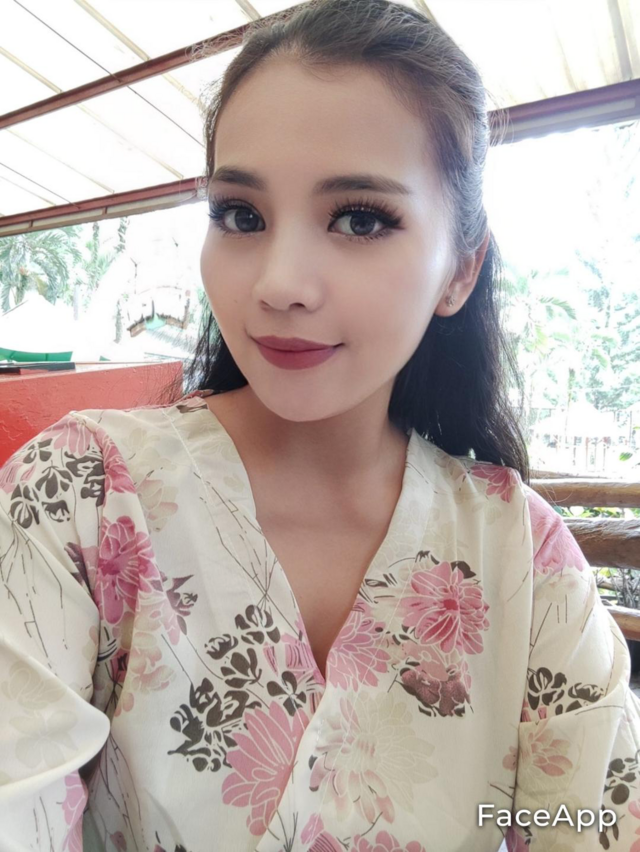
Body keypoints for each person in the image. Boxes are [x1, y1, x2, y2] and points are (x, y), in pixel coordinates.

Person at [1, 1, 638, 850]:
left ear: (461, 269)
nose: (280, 283)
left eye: (360, 218)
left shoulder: (528, 562)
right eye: (241, 214)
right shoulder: (76, 499)